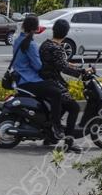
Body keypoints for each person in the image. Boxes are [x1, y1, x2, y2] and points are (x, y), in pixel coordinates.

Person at [39, 18, 92, 151]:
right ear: (66, 33)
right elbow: (64, 67)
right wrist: (82, 72)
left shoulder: (46, 45)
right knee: (74, 107)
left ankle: (50, 135)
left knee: (64, 105)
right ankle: (69, 142)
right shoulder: (57, 48)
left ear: (53, 30)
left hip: (44, 80)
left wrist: (77, 66)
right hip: (53, 82)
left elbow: (61, 63)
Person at [12, 15, 65, 142]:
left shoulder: (17, 40)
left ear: (24, 26)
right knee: (57, 92)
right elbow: (38, 66)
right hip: (30, 80)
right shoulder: (31, 44)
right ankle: (56, 126)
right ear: (36, 29)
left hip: (19, 79)